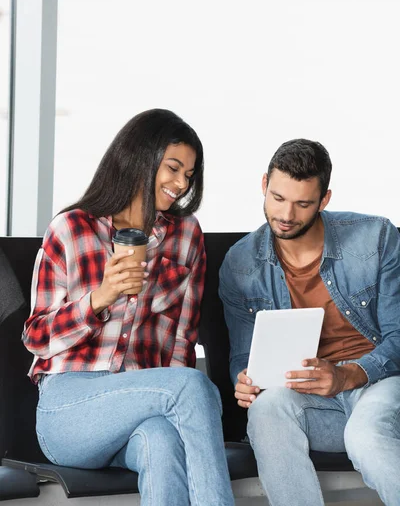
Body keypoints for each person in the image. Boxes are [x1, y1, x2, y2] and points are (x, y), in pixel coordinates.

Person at [23, 108, 234, 506]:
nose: (180, 183)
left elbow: (181, 347)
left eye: (188, 174)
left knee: (162, 440)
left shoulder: (186, 237)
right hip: (70, 408)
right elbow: (35, 338)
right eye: (172, 168)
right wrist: (99, 299)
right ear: (141, 157)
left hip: (145, 404)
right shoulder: (71, 229)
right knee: (192, 386)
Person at [219, 138, 400, 506]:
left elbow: (399, 338)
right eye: (277, 198)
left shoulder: (376, 237)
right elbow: (244, 354)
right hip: (317, 404)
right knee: (266, 411)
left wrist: (347, 374)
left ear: (324, 200)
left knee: (365, 435)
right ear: (264, 184)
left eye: (302, 204)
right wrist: (246, 381)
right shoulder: (240, 264)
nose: (286, 215)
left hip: (379, 387)